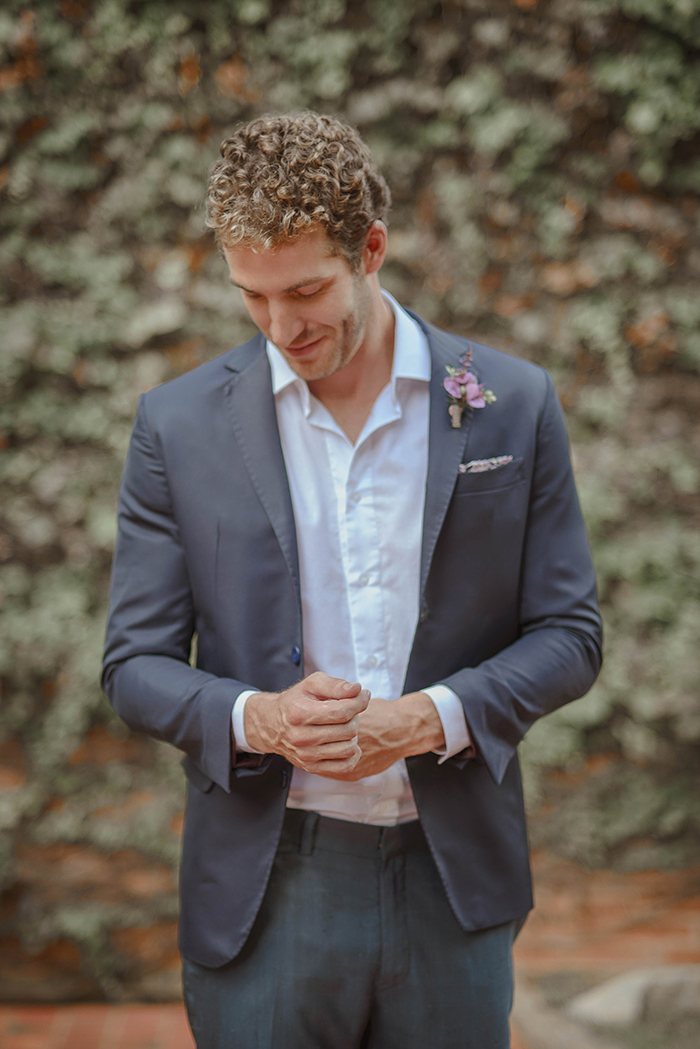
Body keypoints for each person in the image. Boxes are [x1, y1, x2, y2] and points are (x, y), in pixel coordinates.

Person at [102, 111, 602, 1048]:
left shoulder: (511, 402)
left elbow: (571, 636)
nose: (281, 327)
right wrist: (260, 718)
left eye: (306, 291)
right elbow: (133, 664)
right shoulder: (177, 425)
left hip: (451, 877)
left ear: (371, 249)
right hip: (267, 884)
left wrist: (425, 719)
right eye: (252, 296)